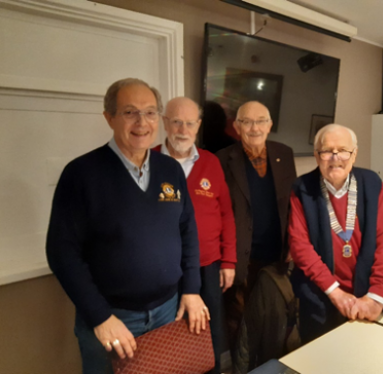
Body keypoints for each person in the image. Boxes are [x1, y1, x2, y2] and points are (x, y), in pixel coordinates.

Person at [46, 79, 209, 374]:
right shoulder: (81, 174)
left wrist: (192, 290)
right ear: (109, 117)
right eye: (130, 112)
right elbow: (61, 253)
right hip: (112, 319)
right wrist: (99, 317)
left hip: (167, 311)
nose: (142, 122)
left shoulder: (169, 169)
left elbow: (187, 231)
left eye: (149, 113)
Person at [289, 124, 383, 345]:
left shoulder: (371, 183)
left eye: (343, 150)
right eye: (327, 150)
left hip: (367, 292)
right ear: (316, 155)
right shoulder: (302, 188)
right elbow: (300, 247)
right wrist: (335, 293)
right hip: (320, 295)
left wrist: (377, 295)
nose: (335, 157)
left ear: (354, 154)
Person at [153, 97, 237, 373]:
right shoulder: (149, 160)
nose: (182, 129)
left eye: (190, 123)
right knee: (169, 334)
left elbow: (226, 213)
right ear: (165, 123)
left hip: (208, 265)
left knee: (209, 331)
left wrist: (228, 261)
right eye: (176, 122)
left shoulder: (211, 162)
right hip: (165, 268)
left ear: (198, 125)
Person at [216, 101, 297, 361]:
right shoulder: (221, 159)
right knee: (238, 321)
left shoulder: (284, 154)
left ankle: (265, 366)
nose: (254, 127)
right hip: (240, 259)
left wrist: (293, 244)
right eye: (247, 121)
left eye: (261, 120)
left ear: (270, 125)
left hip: (277, 258)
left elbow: (291, 205)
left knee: (272, 320)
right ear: (237, 126)